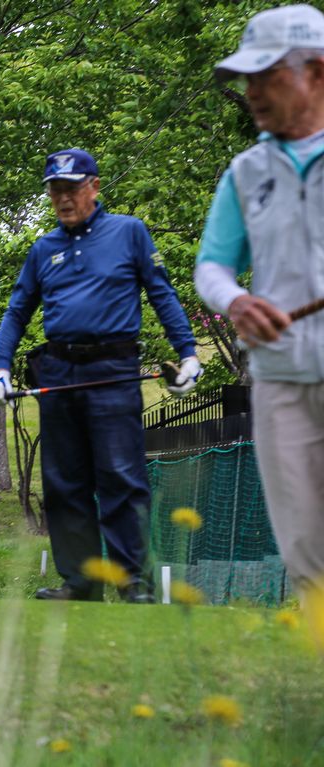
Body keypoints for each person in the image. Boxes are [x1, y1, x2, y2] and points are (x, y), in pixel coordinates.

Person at [0, 148, 201, 603]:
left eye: (71, 189)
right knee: (64, 483)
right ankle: (81, 583)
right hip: (59, 372)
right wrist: (0, 370)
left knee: (121, 479)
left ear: (94, 187)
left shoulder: (130, 233)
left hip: (113, 371)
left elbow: (162, 295)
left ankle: (131, 583)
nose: (63, 199)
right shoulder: (44, 249)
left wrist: (189, 354)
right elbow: (17, 311)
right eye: (55, 190)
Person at [194, 4, 324, 634]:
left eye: (264, 76)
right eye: (246, 80)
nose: (250, 93)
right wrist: (237, 301)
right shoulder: (247, 173)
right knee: (304, 545)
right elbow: (212, 268)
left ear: (315, 74)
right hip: (279, 380)